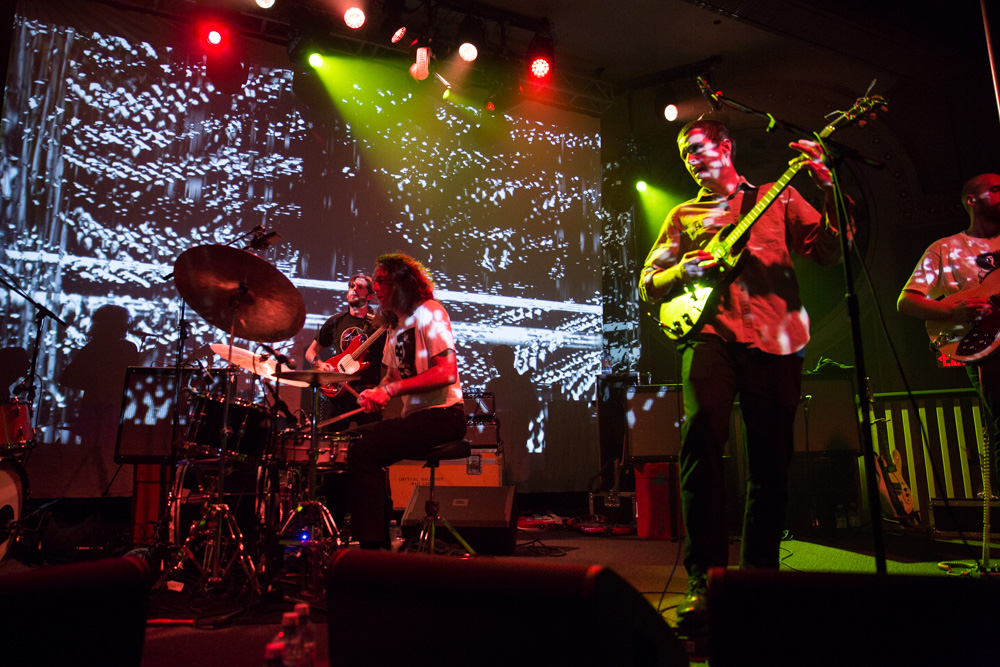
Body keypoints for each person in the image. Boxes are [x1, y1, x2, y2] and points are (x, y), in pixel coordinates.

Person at [638, 119, 850, 628]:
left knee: (771, 462)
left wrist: (828, 186)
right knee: (701, 443)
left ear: (726, 146)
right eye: (684, 155)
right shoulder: (683, 215)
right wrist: (682, 270)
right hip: (709, 335)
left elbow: (829, 249)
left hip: (776, 339)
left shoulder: (779, 197)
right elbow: (648, 282)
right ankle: (704, 581)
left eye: (696, 149)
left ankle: (759, 578)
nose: (690, 160)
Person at [348, 253, 466, 550]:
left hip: (444, 415)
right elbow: (391, 376)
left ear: (401, 282)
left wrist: (388, 392)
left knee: (365, 453)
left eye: (381, 281)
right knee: (356, 444)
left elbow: (446, 372)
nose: (375, 287)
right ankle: (374, 536)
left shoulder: (430, 312)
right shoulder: (394, 326)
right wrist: (375, 393)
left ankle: (374, 550)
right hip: (418, 418)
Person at [898, 173, 1000, 490]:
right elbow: (907, 301)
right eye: (995, 189)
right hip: (987, 347)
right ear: (972, 200)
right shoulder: (946, 249)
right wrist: (953, 312)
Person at [304, 273, 387, 429]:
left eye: (360, 287)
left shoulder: (379, 325)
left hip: (367, 394)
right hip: (338, 392)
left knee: (371, 439)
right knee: (329, 439)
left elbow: (388, 360)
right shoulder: (335, 322)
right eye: (351, 286)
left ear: (370, 296)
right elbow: (311, 352)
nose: (354, 289)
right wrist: (320, 365)